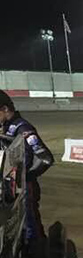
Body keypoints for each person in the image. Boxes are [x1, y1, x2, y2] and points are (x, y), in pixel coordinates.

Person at [0, 89, 54, 243]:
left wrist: (24, 177)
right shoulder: (6, 128)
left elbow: (45, 159)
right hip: (7, 189)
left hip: (24, 189)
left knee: (29, 229)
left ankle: (38, 251)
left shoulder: (23, 128)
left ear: (5, 109)